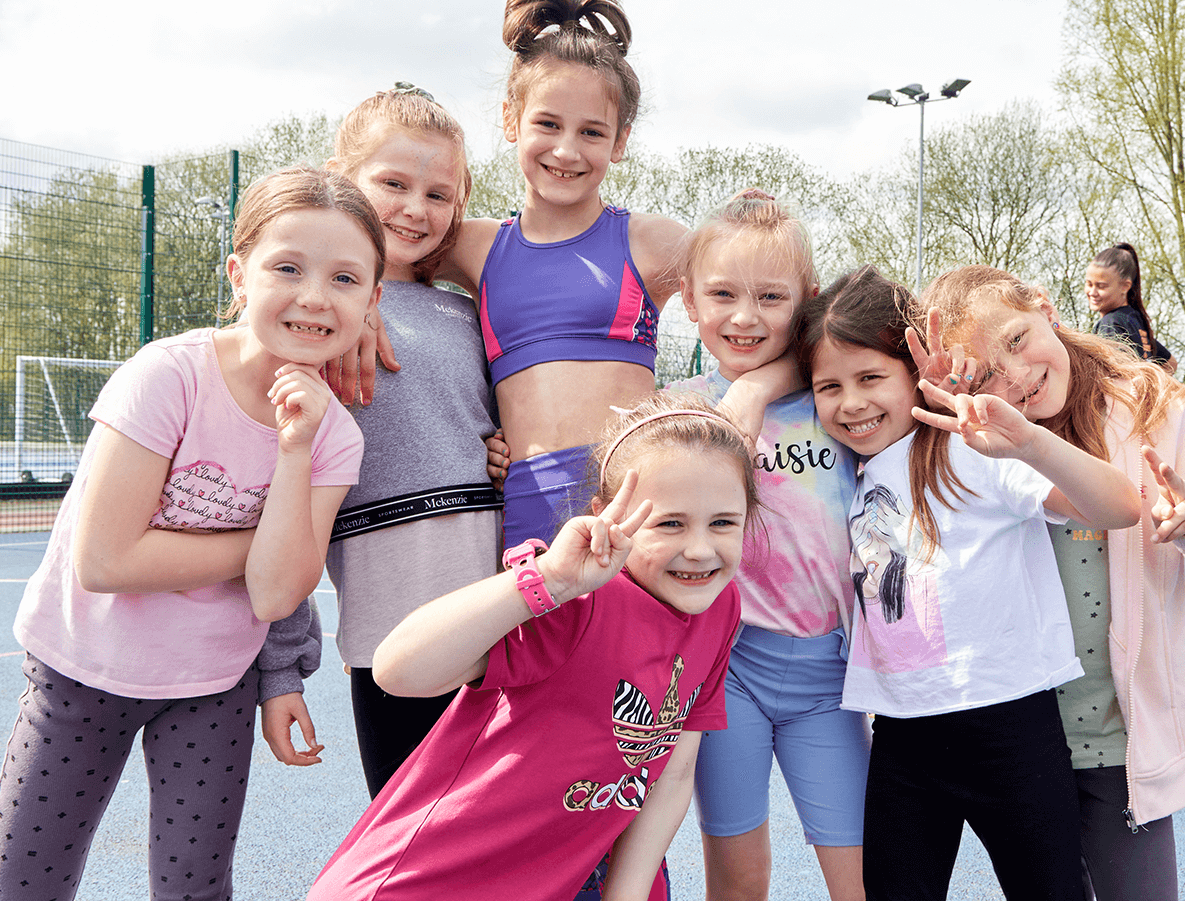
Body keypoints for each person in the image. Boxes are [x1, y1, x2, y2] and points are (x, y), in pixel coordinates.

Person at [0, 166, 382, 901]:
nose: (313, 296)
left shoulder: (333, 438)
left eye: (344, 278)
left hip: (210, 686)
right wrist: (266, 542)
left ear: (371, 301)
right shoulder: (167, 378)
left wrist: (293, 449)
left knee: (195, 889)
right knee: (25, 880)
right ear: (240, 275)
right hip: (82, 670)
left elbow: (275, 593)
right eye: (287, 268)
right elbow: (107, 559)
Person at [306, 394, 754, 901]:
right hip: (439, 880)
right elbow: (397, 671)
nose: (699, 549)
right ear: (606, 515)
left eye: (722, 522)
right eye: (669, 523)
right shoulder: (579, 603)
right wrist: (549, 579)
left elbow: (672, 772)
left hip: (566, 876)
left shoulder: (719, 609)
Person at [915, 265, 1185, 901]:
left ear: (1047, 309)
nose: (1016, 376)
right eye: (989, 369)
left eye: (1018, 340)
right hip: (1015, 742)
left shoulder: (1156, 408)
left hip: (1116, 746)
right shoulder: (966, 437)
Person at [794, 265, 1142, 901]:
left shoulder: (973, 451)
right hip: (903, 737)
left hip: (1012, 733)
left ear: (916, 373)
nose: (851, 402)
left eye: (871, 378)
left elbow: (1119, 506)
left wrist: (1027, 442)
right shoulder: (852, 471)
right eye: (829, 386)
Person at [333, 0, 686, 548]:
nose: (566, 150)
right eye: (547, 123)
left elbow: (760, 304)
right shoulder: (473, 245)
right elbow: (376, 237)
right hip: (525, 498)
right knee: (532, 639)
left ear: (620, 141)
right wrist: (360, 300)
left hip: (637, 497)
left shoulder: (654, 242)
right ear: (509, 120)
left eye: (592, 132)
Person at [258, 83, 503, 797]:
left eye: (440, 193)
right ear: (344, 181)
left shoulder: (474, 316)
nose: (415, 208)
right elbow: (283, 510)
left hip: (504, 629)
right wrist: (279, 669)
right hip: (392, 646)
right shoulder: (312, 323)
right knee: (409, 849)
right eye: (392, 183)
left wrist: (504, 450)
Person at [667, 191, 870, 901]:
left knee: (861, 876)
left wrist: (758, 391)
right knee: (738, 878)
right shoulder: (682, 411)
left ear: (805, 303)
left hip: (831, 684)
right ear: (690, 300)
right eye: (722, 294)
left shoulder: (838, 403)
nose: (745, 317)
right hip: (731, 676)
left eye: (771, 297)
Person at [1085, 242, 1176, 372]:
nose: (1092, 292)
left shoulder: (1111, 324)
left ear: (1125, 286)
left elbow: (1117, 375)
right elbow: (1170, 364)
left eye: (1101, 286)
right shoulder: (1135, 320)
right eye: (1089, 284)